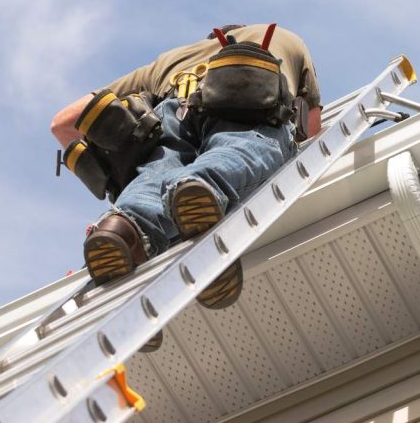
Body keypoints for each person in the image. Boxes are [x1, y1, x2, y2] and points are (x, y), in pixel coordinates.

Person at [52, 24, 321, 319]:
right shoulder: (284, 38)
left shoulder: (169, 60)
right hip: (250, 93)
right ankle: (202, 192)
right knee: (240, 148)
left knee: (155, 175)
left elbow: (63, 122)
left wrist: (103, 165)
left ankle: (122, 228)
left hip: (172, 111)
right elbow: (312, 132)